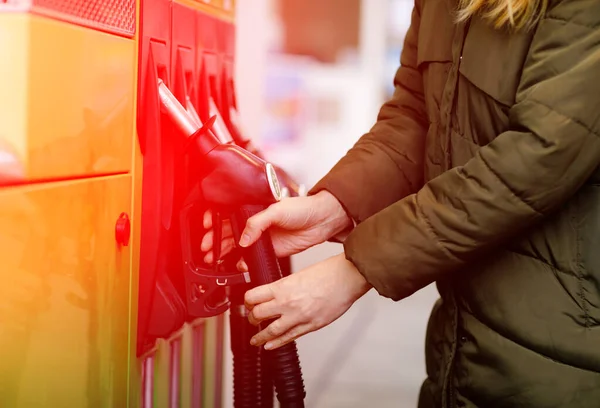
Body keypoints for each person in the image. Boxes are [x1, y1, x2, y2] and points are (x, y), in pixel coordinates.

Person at [203, 0, 600, 406]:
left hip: (563, 351)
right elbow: (413, 117)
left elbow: (536, 157)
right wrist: (332, 205)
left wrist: (356, 269)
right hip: (463, 347)